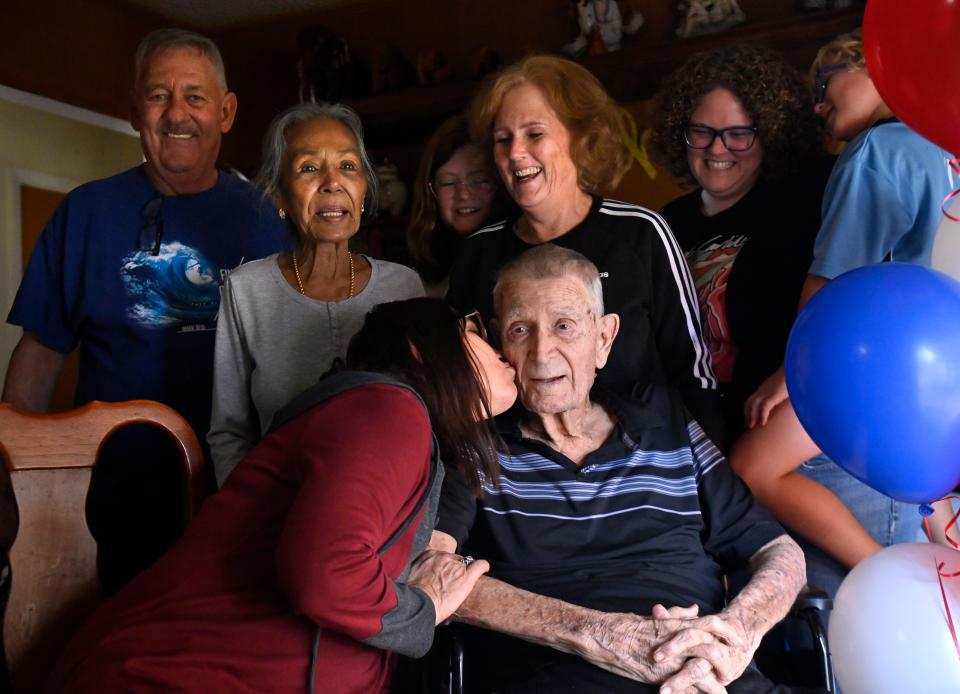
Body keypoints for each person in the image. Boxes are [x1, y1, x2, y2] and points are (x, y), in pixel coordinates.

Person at [45, 297, 517, 693]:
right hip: (165, 675)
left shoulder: (398, 422)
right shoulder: (387, 409)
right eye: (474, 329)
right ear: (420, 349)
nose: (505, 351)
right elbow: (326, 577)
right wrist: (424, 611)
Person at [436, 244, 809, 693]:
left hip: (704, 675)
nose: (541, 352)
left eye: (564, 327)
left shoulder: (665, 417)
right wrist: (601, 634)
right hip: (559, 679)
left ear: (604, 338)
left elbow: (780, 552)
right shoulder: (474, 444)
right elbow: (430, 574)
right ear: (499, 342)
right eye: (520, 329)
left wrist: (735, 632)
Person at [2, 28, 284, 592]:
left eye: (195, 97)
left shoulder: (266, 218)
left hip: (239, 504)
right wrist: (12, 489)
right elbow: (39, 357)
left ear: (226, 112)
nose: (177, 113)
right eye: (158, 95)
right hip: (103, 507)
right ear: (135, 111)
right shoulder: (85, 213)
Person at [731, 30, 956, 597]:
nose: (817, 103)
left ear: (876, 68)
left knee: (753, 466)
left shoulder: (876, 151)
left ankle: (895, 579)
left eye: (826, 81)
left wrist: (794, 373)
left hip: (888, 364)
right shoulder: (946, 149)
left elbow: (831, 278)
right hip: (944, 367)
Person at [447, 55, 725, 448]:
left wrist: (708, 488)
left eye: (535, 134)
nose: (515, 153)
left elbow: (694, 378)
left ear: (580, 137)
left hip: (646, 466)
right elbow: (457, 390)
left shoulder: (640, 234)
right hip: (525, 480)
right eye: (503, 139)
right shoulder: (478, 252)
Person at [207, 102, 424, 485]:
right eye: (309, 168)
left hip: (385, 509)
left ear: (363, 191)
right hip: (274, 509)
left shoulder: (404, 287)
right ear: (279, 196)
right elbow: (229, 432)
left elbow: (429, 418)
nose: (331, 182)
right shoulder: (246, 290)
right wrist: (246, 516)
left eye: (348, 166)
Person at [653, 44, 832, 440]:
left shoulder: (808, 196)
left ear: (771, 134)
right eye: (701, 132)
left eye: (739, 134)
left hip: (782, 424)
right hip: (688, 434)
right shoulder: (662, 224)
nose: (718, 149)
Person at [407, 114, 504, 297]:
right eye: (448, 183)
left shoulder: (516, 257)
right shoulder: (415, 278)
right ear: (431, 190)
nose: (464, 194)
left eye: (480, 180)